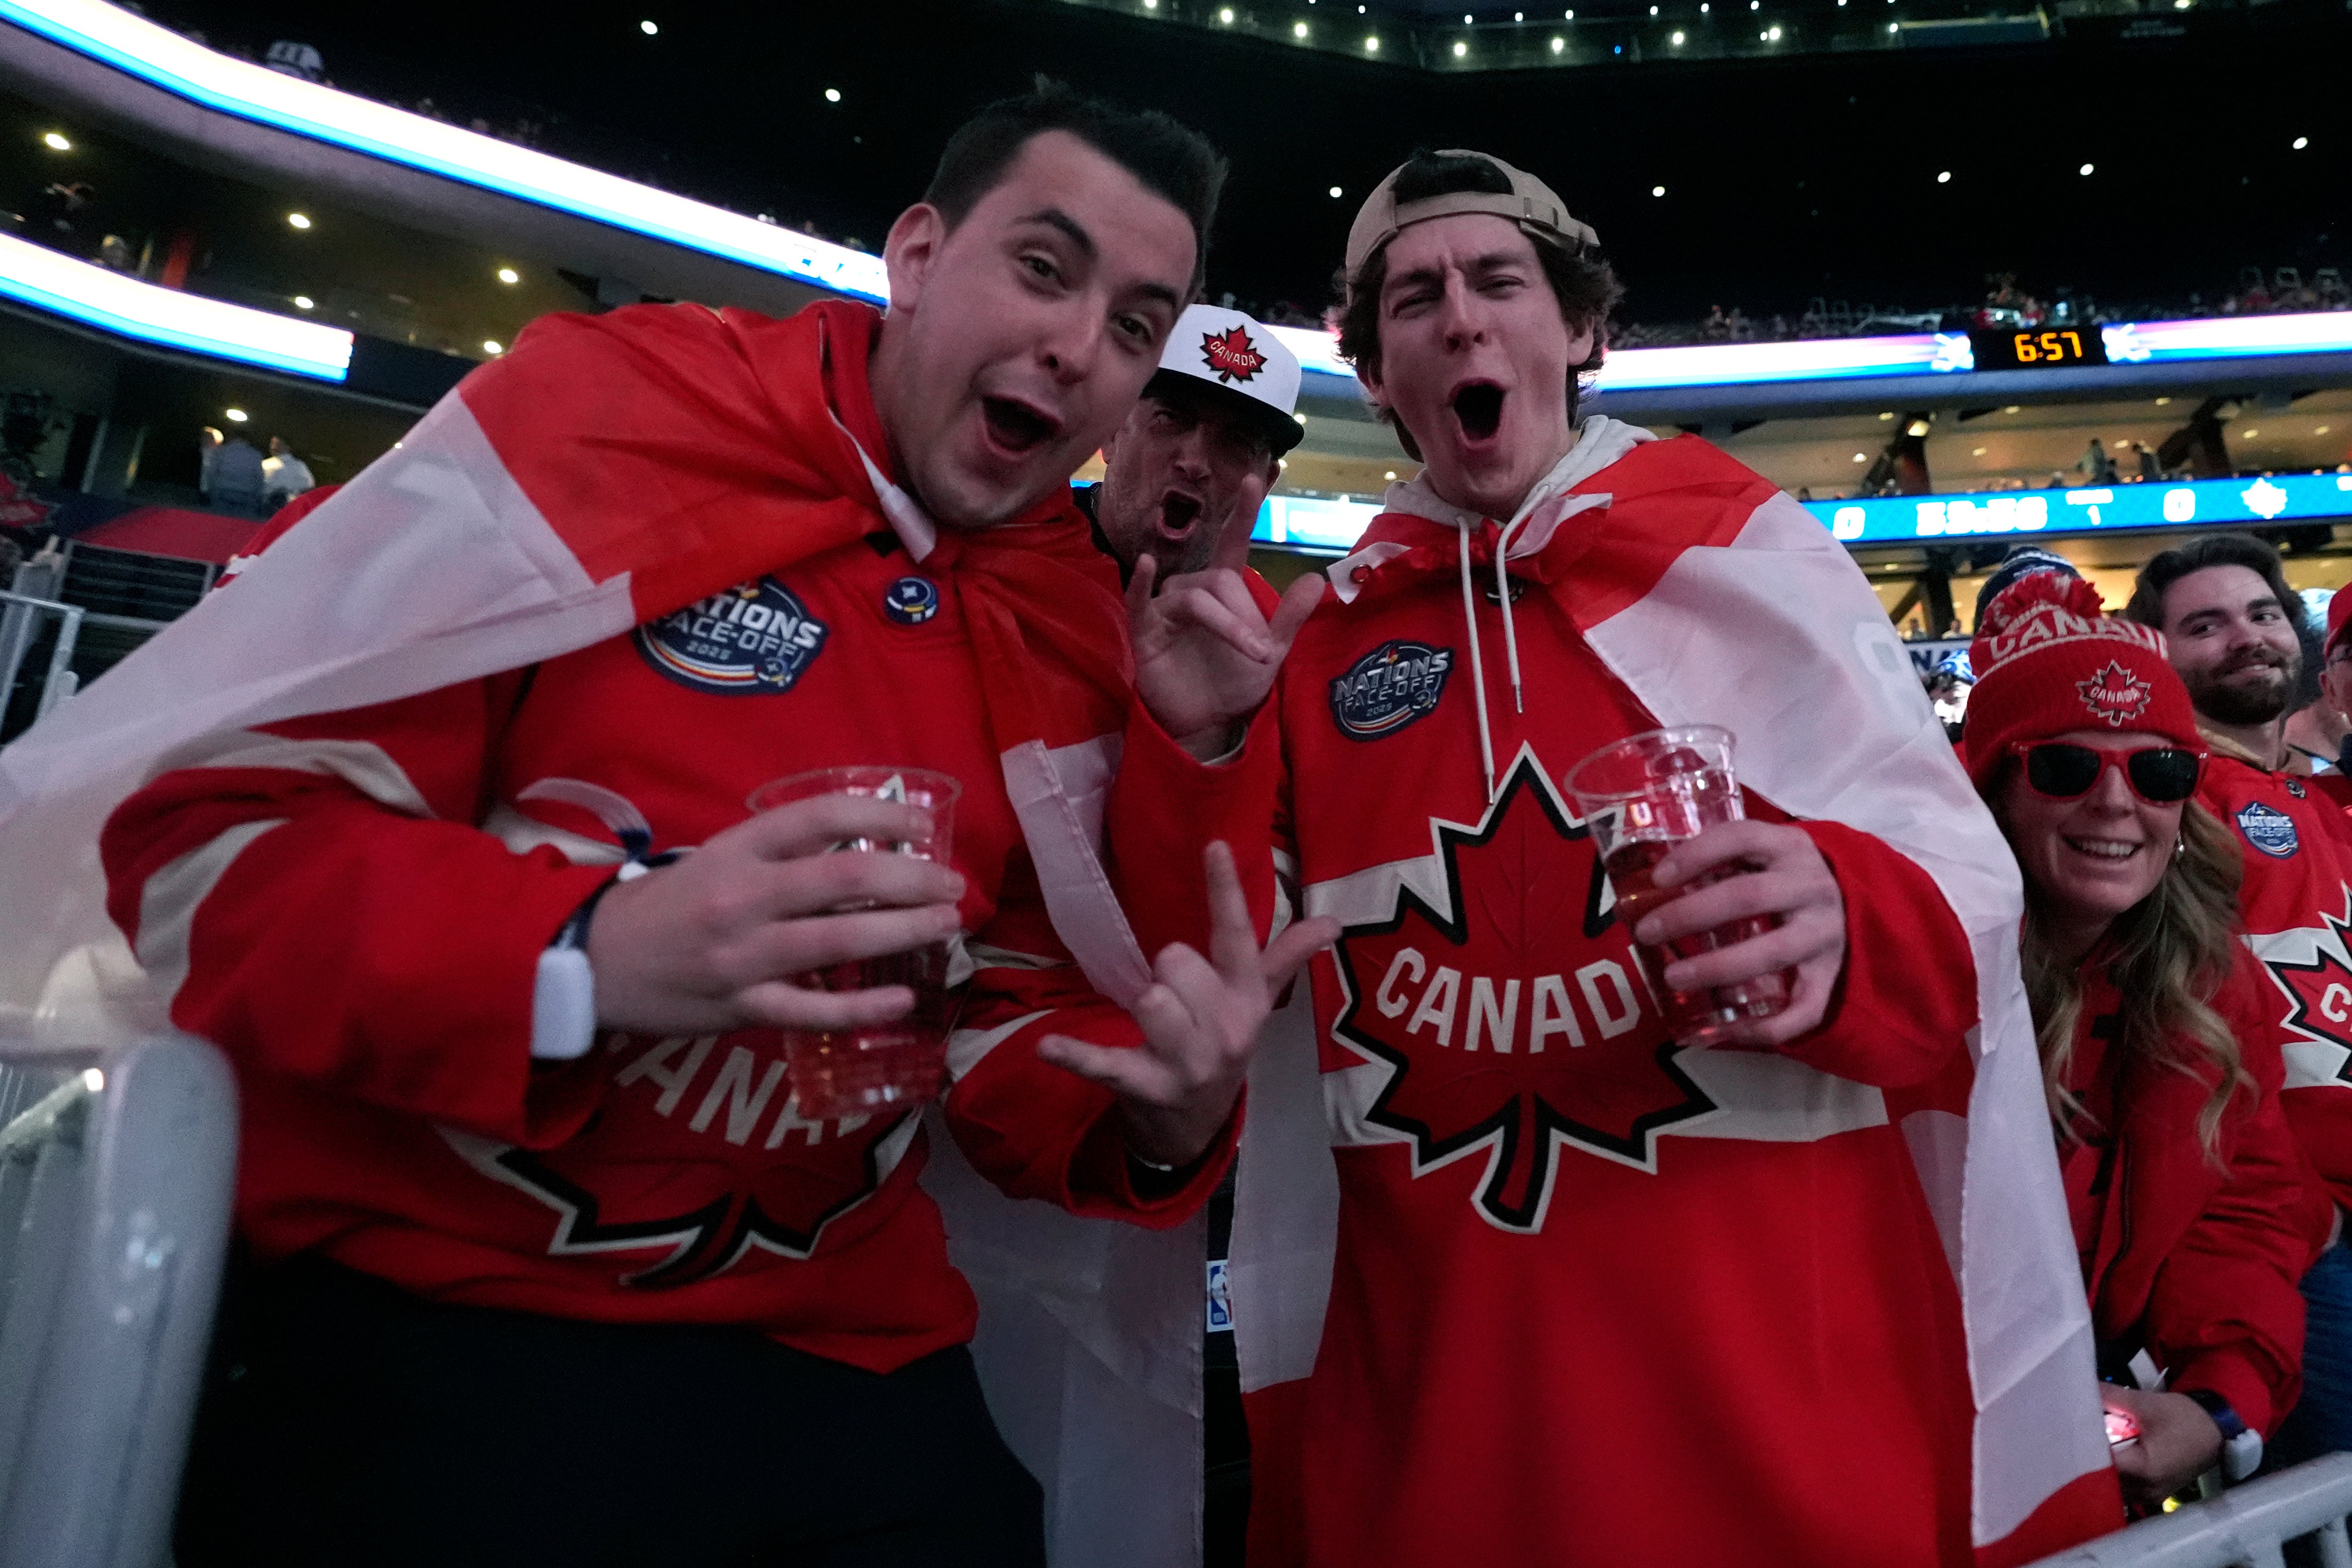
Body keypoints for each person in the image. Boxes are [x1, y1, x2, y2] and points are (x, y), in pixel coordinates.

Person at [73, 83, 1327, 1567]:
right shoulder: (592, 420)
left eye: (1133, 326)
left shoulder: (1072, 619)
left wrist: (1148, 1110)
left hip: (841, 1340)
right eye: (1043, 270)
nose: (1077, 345)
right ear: (917, 255)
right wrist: (585, 950)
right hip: (445, 1309)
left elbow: (996, 1000)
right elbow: (202, 847)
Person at [1118, 147, 2120, 1565]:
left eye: (1498, 280)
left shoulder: (1741, 551)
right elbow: (1213, 969)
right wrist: (1196, 754)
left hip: (1773, 1432)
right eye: (1412, 299)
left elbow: (1965, 907)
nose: (1458, 317)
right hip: (1437, 1440)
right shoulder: (1319, 644)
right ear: (1381, 374)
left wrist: (1843, 907)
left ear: (1580, 329)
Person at [1965, 569, 2324, 1509]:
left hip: (2084, 1428)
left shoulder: (2204, 978)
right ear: (1996, 790)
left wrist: (2219, 1400)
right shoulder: (1922, 970)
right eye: (2066, 766)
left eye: (2159, 770)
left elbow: (2242, 1205)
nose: (2117, 802)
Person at [2125, 533, 2352, 1463]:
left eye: (2260, 613)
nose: (2245, 637)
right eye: (2204, 625)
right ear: (2158, 651)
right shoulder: (2161, 793)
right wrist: (2312, 1211)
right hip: (2297, 1241)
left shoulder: (2322, 799)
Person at [1077, 301, 1302, 584]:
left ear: (1265, 484)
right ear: (1112, 430)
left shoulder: (1258, 623)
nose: (1195, 464)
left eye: (1236, 443)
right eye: (1170, 419)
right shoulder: (1014, 550)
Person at [259, 435, 315, 510]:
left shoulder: (265, 465)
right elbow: (309, 486)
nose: (273, 447)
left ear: (287, 447)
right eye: (272, 443)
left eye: (278, 444)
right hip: (289, 508)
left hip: (269, 507)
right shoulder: (300, 466)